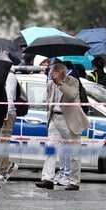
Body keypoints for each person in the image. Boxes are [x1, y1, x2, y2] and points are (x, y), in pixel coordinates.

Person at [34, 62, 90, 190]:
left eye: (54, 72)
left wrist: (60, 83)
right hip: (54, 118)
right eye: (51, 71)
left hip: (69, 120)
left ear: (62, 73)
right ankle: (47, 178)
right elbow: (49, 100)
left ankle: (74, 181)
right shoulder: (50, 84)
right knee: (51, 149)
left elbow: (72, 95)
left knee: (74, 153)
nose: (51, 74)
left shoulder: (73, 81)